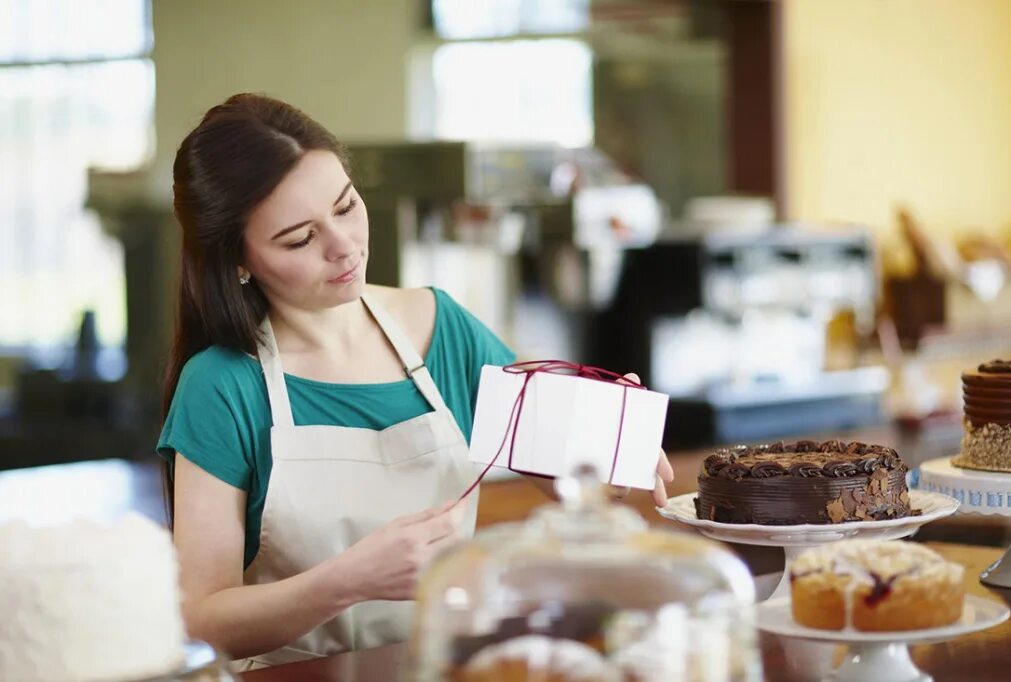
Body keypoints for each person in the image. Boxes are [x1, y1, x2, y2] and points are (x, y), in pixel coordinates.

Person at [157, 93, 674, 669]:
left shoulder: (441, 328)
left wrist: (606, 435)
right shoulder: (222, 384)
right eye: (301, 238)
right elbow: (200, 620)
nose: (344, 246)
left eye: (347, 206)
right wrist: (346, 582)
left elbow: (572, 485)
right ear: (238, 260)